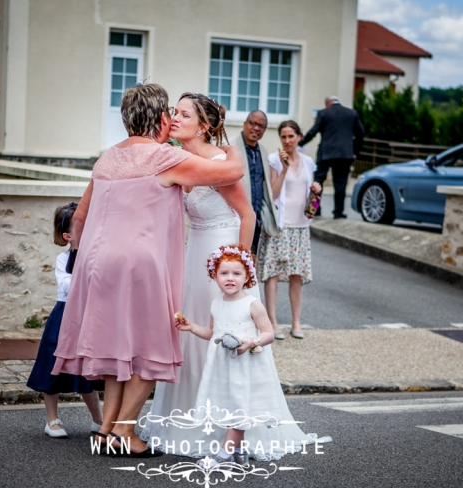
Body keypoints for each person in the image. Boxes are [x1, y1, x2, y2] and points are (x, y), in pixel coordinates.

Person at [52, 83, 245, 458]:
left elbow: (79, 216)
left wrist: (84, 252)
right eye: (170, 113)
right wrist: (229, 142)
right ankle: (126, 431)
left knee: (115, 344)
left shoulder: (107, 158)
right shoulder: (164, 159)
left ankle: (107, 430)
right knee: (152, 344)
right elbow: (231, 171)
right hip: (140, 263)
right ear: (160, 119)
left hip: (97, 263)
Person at [140, 93, 257, 457]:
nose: (174, 117)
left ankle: (224, 427)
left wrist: (240, 270)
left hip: (221, 255)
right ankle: (183, 414)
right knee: (188, 335)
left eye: (183, 113)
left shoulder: (219, 162)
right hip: (194, 257)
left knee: (218, 334)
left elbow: (248, 216)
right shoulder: (179, 157)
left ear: (203, 126)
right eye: (174, 111)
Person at [173, 245, 330, 467]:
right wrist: (191, 328)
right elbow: (212, 334)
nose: (230, 278)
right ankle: (239, 452)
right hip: (222, 366)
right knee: (231, 405)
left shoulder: (252, 304)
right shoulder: (216, 304)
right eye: (224, 273)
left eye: (237, 274)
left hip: (245, 364)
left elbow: (268, 334)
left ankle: (223, 454)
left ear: (247, 276)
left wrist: (251, 343)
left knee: (239, 406)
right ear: (214, 276)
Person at [26, 202, 103, 438]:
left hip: (89, 317)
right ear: (68, 235)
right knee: (53, 367)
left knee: (86, 370)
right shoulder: (63, 259)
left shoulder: (98, 256)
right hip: (65, 316)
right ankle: (52, 420)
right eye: (82, 226)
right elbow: (67, 286)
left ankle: (98, 420)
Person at [260, 120, 319, 340]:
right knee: (273, 273)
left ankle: (296, 322)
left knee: (297, 275)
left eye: (291, 136)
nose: (287, 141)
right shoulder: (274, 160)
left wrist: (316, 189)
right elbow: (273, 194)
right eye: (283, 137)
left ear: (299, 137)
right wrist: (284, 169)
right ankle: (273, 322)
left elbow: (309, 195)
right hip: (280, 226)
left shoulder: (308, 162)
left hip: (301, 226)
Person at [299, 95, 364, 219]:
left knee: (318, 181)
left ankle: (314, 210)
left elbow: (314, 131)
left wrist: (300, 143)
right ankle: (338, 213)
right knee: (341, 183)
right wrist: (355, 151)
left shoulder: (324, 113)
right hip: (345, 154)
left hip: (326, 152)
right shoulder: (351, 113)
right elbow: (361, 133)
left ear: (327, 103)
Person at [231, 110, 279, 256]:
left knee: (251, 266)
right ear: (245, 124)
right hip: (235, 218)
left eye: (261, 126)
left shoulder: (263, 151)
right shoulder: (231, 147)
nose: (256, 128)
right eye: (253, 123)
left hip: (257, 220)